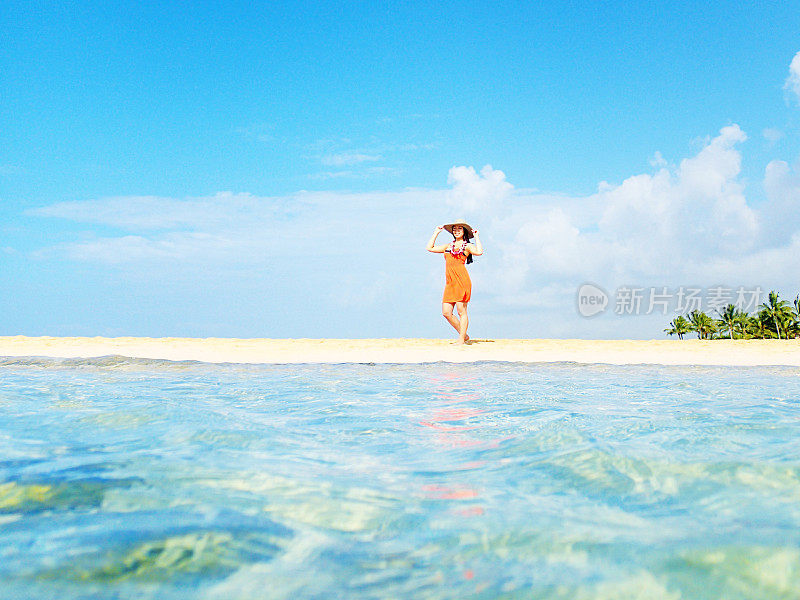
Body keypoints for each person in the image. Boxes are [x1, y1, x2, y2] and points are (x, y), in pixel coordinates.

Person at [426, 219, 483, 344]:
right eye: (454, 229)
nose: (456, 231)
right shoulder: (448, 246)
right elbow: (429, 247)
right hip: (450, 282)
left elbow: (479, 252)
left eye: (459, 228)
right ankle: (465, 335)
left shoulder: (467, 246)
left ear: (464, 231)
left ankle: (461, 339)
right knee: (446, 312)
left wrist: (477, 237)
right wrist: (436, 232)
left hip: (462, 280)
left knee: (461, 311)